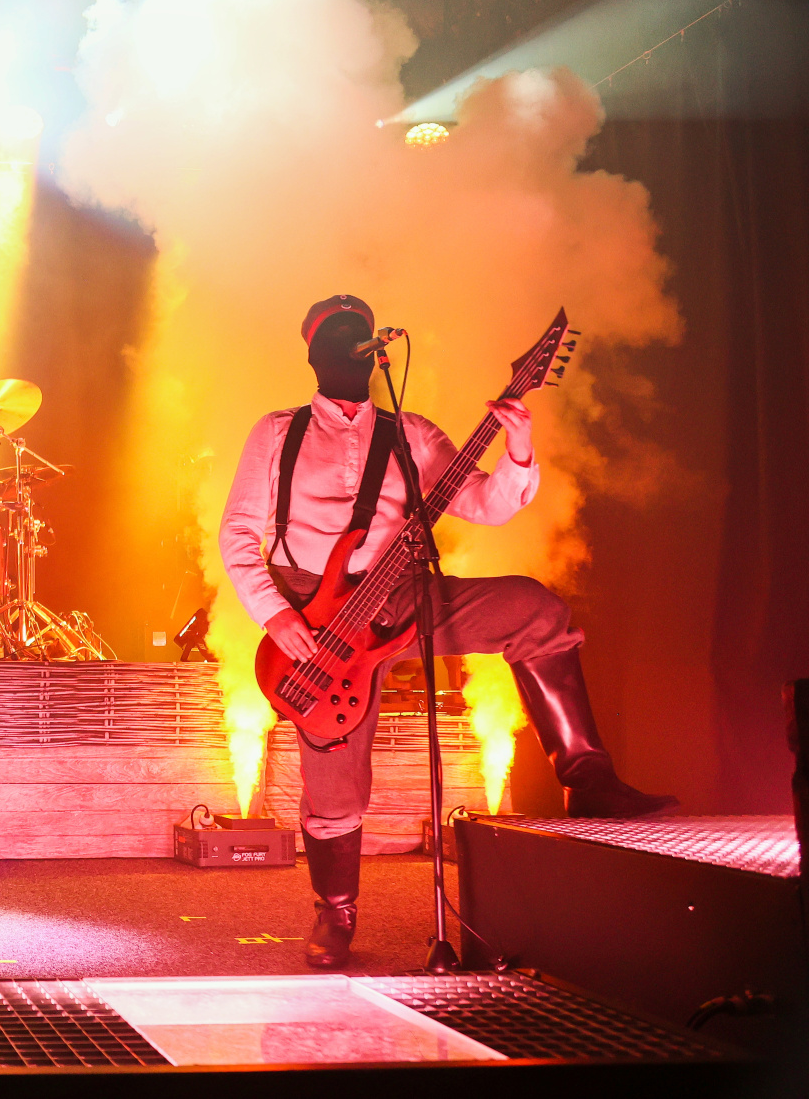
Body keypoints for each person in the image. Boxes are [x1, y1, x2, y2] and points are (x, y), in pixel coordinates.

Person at [219, 294, 675, 970]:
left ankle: (586, 774)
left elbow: (486, 504)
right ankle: (335, 911)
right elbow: (236, 533)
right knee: (334, 772)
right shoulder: (277, 432)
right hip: (315, 619)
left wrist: (519, 447)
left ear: (377, 352)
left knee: (535, 609)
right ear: (312, 352)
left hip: (401, 594)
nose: (349, 349)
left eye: (358, 336)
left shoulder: (411, 432)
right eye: (335, 337)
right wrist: (276, 614)